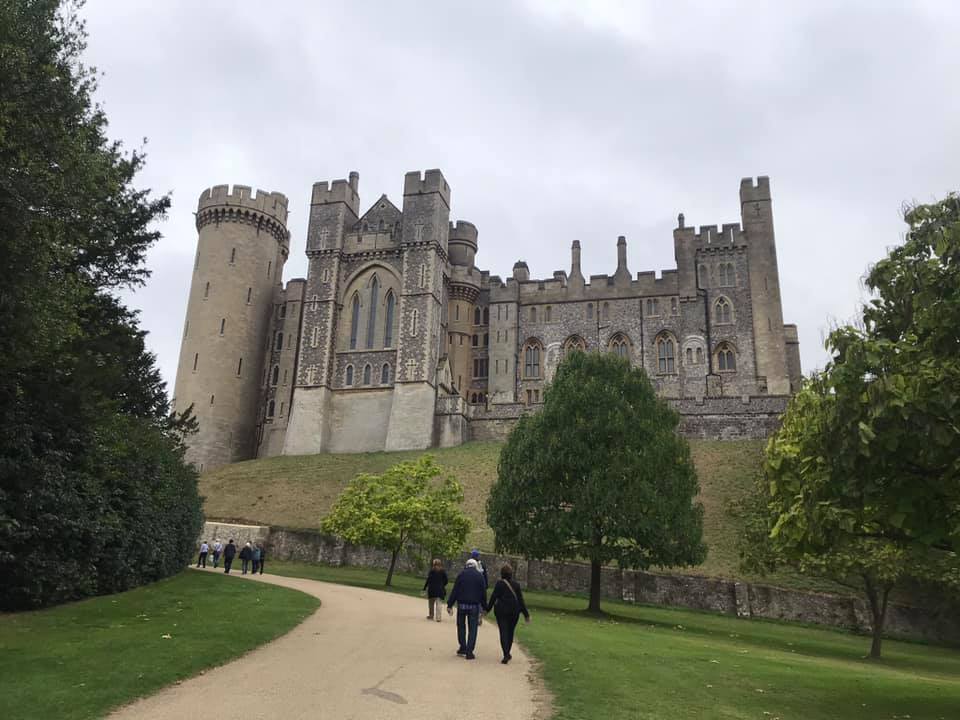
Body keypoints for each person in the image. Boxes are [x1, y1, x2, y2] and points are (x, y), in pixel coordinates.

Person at [484, 563, 530, 664]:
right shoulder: (516, 585)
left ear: (502, 574)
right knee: (510, 632)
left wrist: (487, 609)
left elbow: (493, 597)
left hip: (501, 611)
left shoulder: (499, 584)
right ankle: (507, 652)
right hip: (514, 611)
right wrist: (526, 614)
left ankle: (505, 653)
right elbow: (521, 600)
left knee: (503, 632)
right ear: (511, 574)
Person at [446, 558, 487, 660]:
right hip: (474, 606)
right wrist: (485, 607)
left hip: (462, 605)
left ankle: (463, 647)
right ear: (475, 566)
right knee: (473, 629)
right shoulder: (479, 576)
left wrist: (450, 604)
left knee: (461, 626)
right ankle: (469, 651)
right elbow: (483, 593)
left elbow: (455, 590)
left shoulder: (461, 575)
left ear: (466, 565)